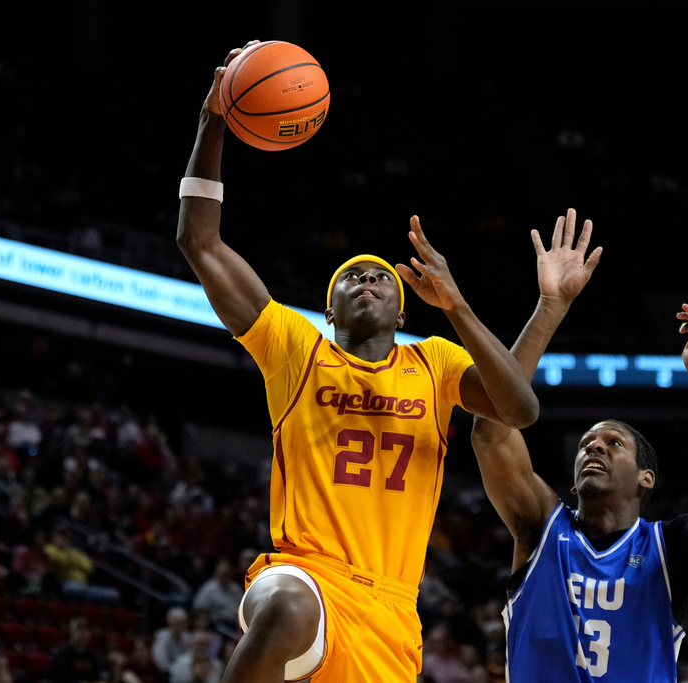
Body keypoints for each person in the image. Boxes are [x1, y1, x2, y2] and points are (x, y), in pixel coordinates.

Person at [175, 41, 540, 683]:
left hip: (391, 610)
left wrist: (456, 305)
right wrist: (213, 123)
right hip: (305, 576)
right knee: (284, 604)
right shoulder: (296, 348)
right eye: (352, 278)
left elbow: (520, 408)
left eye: (380, 277)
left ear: (403, 312)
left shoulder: (434, 363)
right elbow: (198, 240)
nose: (367, 280)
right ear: (330, 307)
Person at [469, 211, 688, 681]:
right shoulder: (540, 525)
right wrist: (550, 307)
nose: (594, 448)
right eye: (587, 443)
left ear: (646, 477)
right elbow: (491, 429)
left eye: (613, 443)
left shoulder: (667, 549)